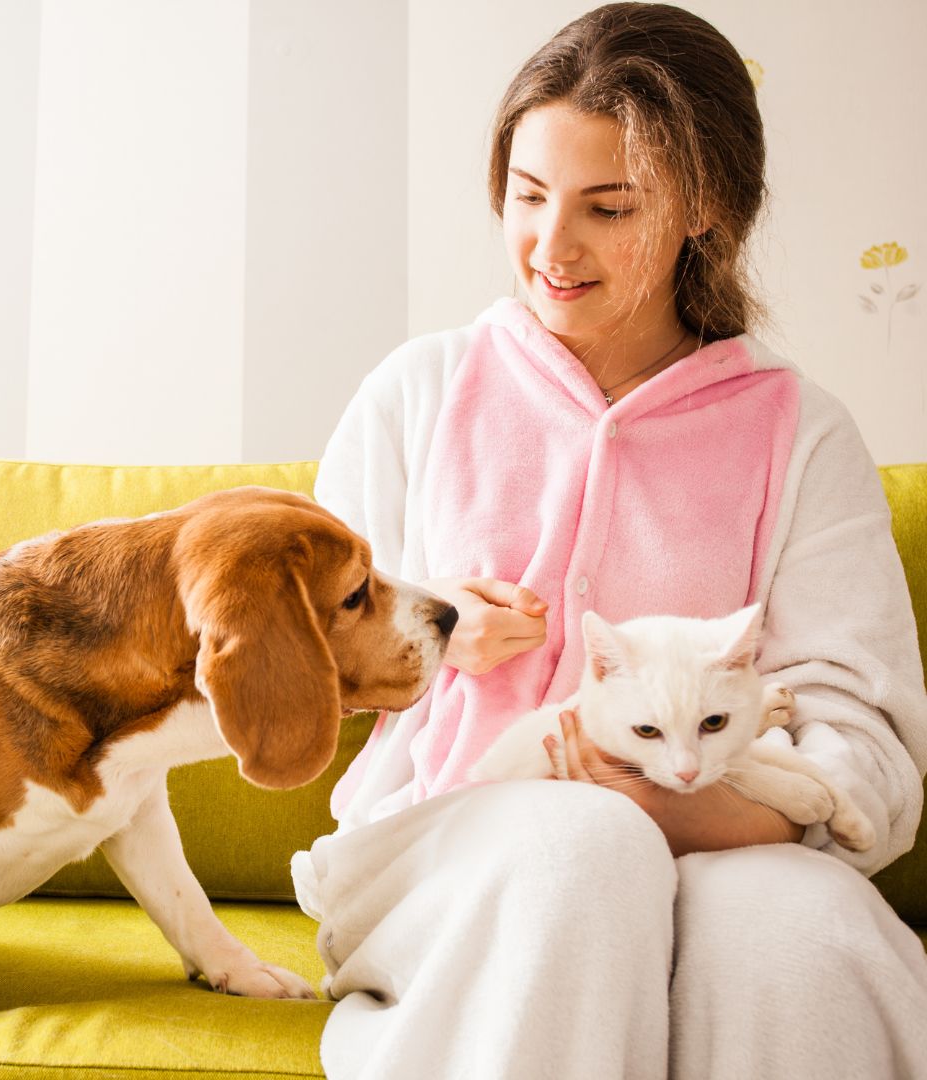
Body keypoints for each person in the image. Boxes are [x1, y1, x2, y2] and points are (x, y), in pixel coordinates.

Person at [290, 5, 927, 1078]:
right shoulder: (418, 396)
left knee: (803, 945)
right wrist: (426, 631)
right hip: (451, 845)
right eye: (528, 196)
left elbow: (860, 741)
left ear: (705, 209)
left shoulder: (800, 432)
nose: (551, 246)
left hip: (737, 839)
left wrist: (718, 813)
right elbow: (301, 673)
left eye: (608, 206)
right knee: (583, 851)